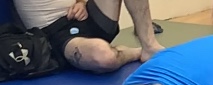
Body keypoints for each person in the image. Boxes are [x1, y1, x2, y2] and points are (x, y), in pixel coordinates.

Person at [13, 0, 164, 73]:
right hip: (57, 35)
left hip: (85, 16)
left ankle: (149, 46)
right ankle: (135, 52)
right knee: (105, 57)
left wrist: (81, 2)